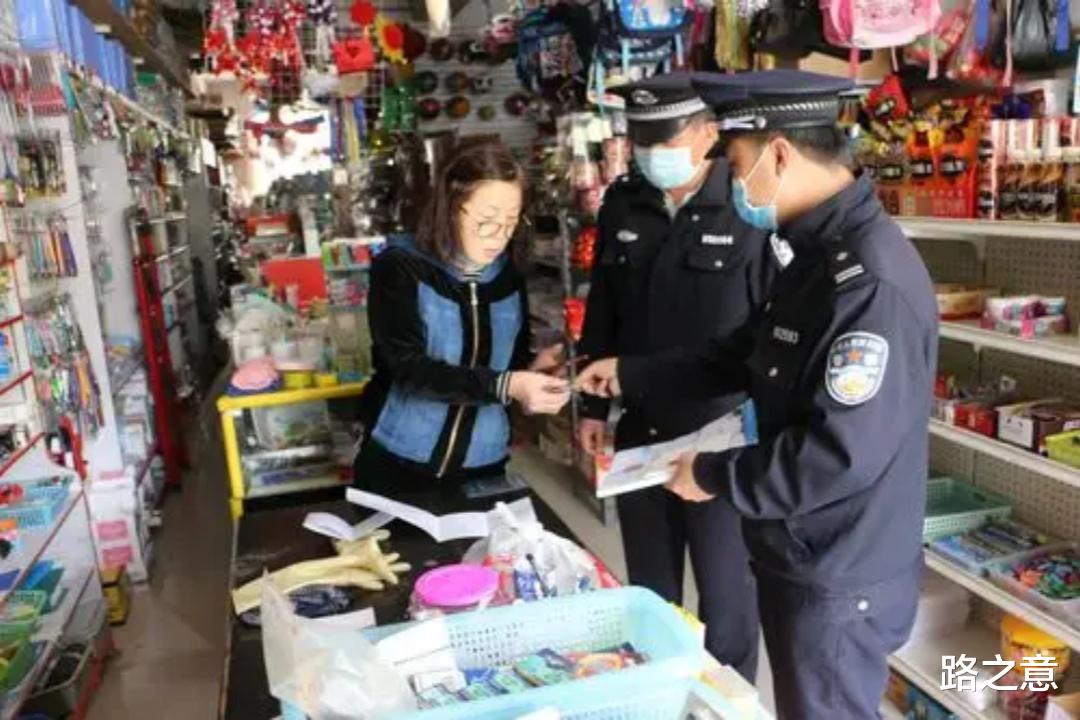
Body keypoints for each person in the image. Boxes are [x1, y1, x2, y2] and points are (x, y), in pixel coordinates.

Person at [574, 70, 938, 719]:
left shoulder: (866, 283)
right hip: (802, 547)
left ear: (779, 154)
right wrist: (630, 374)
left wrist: (715, 474)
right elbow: (742, 353)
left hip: (837, 565)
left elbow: (837, 455)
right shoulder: (815, 256)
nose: (735, 181)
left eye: (738, 164)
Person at [577, 73, 778, 682]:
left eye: (664, 139)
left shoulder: (748, 205)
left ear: (707, 133)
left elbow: (768, 333)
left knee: (727, 599)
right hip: (641, 426)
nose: (650, 152)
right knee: (651, 595)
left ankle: (727, 703)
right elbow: (603, 308)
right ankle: (660, 694)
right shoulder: (624, 202)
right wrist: (592, 409)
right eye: (641, 139)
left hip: (721, 432)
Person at [355, 137, 570, 499]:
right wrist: (507, 385)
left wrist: (535, 371)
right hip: (399, 461)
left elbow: (509, 366)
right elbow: (411, 370)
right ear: (451, 208)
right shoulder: (402, 267)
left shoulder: (508, 278)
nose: (498, 237)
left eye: (511, 222)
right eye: (486, 221)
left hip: (484, 462)